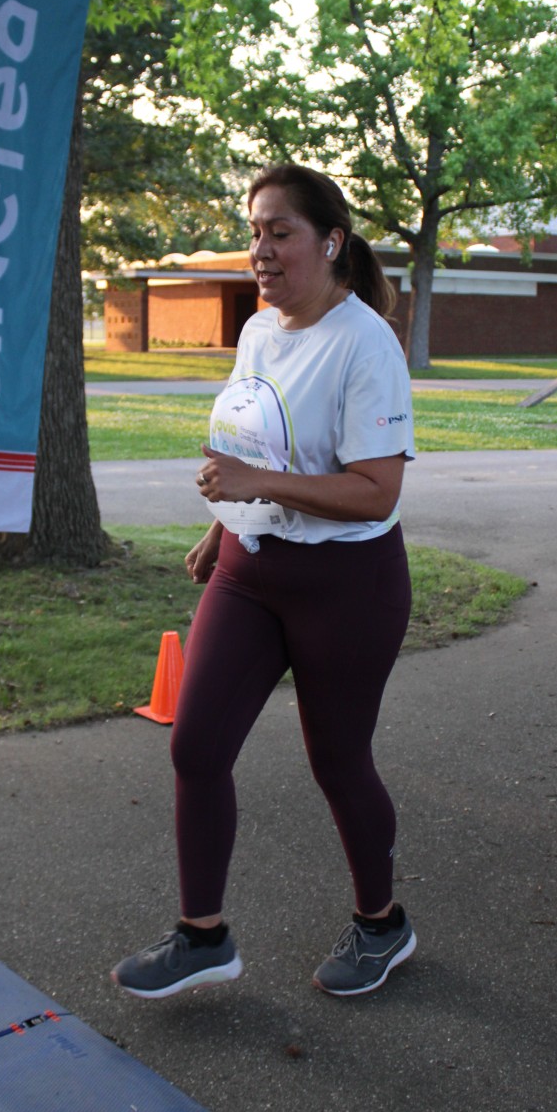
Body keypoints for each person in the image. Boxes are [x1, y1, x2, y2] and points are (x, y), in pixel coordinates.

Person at [112, 164, 417, 1000]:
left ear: (331, 242)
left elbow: (376, 490)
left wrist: (255, 488)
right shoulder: (257, 332)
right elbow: (258, 449)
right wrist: (224, 527)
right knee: (196, 745)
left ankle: (382, 924)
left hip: (347, 582)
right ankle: (202, 935)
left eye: (281, 232)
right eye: (254, 232)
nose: (261, 250)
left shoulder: (366, 345)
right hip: (251, 570)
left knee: (339, 762)